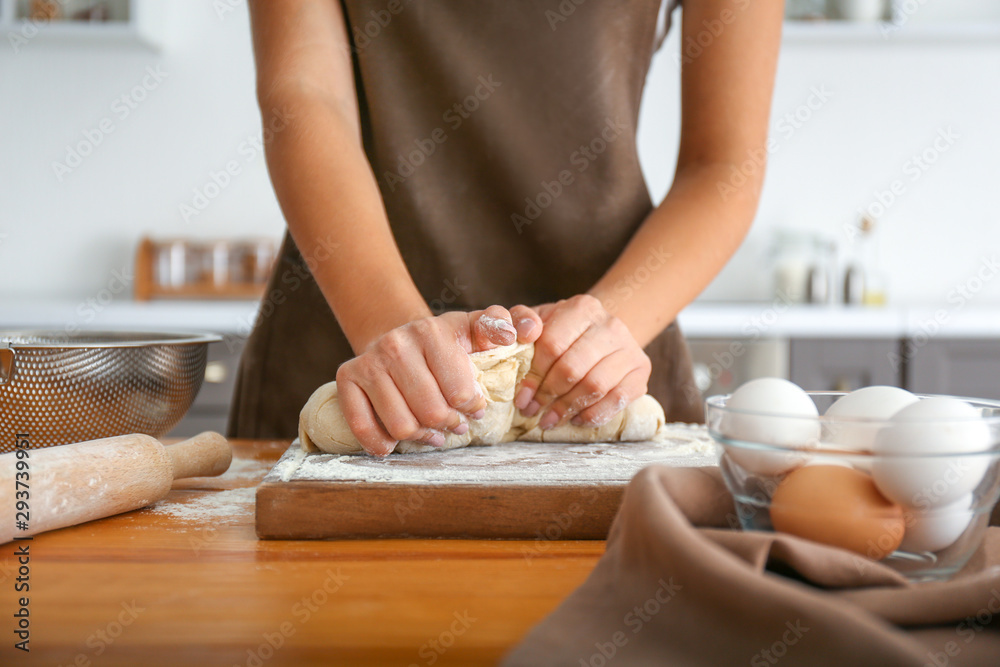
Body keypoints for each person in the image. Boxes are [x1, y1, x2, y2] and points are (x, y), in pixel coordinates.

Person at [228, 0, 783, 456]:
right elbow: (305, 95)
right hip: (352, 334)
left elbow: (724, 165)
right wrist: (390, 330)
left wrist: (611, 322)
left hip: (610, 349)